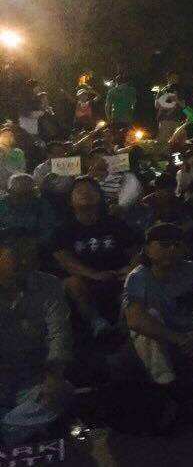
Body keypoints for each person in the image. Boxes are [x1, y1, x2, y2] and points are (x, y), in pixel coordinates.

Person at [123, 224, 193, 404]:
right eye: (164, 245)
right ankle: (166, 385)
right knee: (148, 316)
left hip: (186, 327)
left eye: (176, 245)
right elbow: (134, 319)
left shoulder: (188, 268)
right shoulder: (138, 276)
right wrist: (180, 339)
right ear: (148, 249)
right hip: (160, 331)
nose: (172, 249)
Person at [0, 230, 73, 446]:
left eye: (31, 255)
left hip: (34, 377)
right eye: (17, 254)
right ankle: (17, 429)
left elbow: (59, 332)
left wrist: (54, 375)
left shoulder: (48, 284)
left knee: (62, 393)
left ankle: (8, 430)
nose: (25, 261)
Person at [53, 178, 138, 338]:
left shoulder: (115, 223)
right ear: (70, 199)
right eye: (80, 191)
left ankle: (125, 325)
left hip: (117, 273)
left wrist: (131, 269)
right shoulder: (64, 229)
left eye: (91, 190)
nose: (86, 193)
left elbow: (135, 250)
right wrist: (93, 274)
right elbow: (63, 258)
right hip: (84, 278)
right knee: (73, 283)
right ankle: (96, 322)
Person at [0, 174, 59, 247]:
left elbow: (49, 229)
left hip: (35, 247)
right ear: (9, 191)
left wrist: (33, 242)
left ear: (34, 192)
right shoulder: (2, 204)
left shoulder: (42, 205)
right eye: (18, 194)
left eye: (27, 194)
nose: (23, 199)